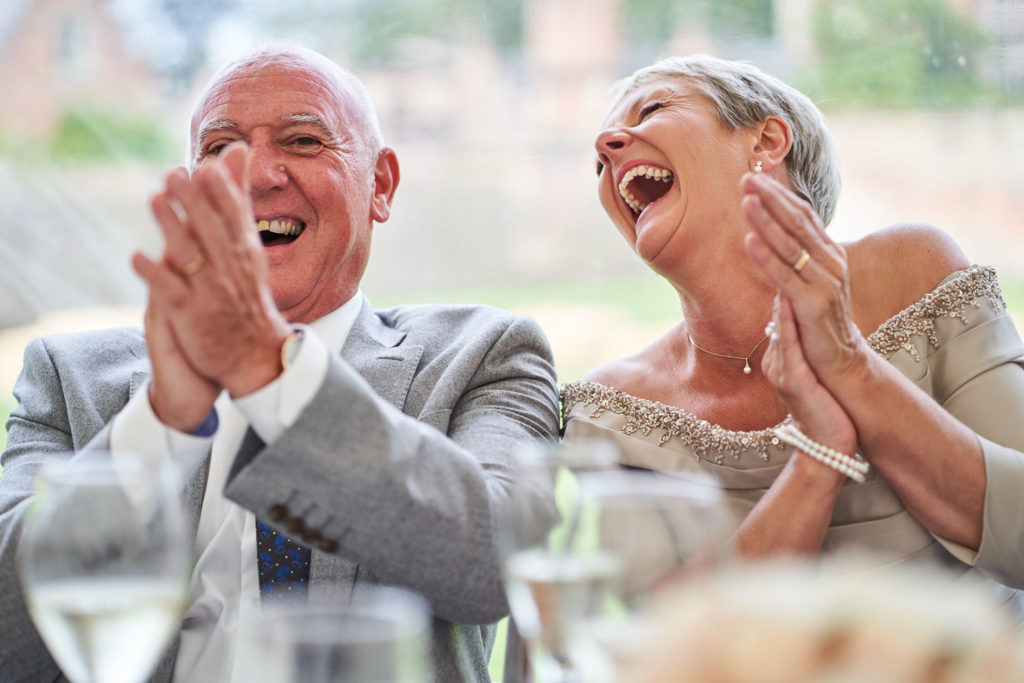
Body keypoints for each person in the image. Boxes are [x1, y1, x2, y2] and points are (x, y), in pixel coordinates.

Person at [0, 44, 559, 681]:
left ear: (380, 184)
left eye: (301, 141)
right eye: (220, 149)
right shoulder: (68, 377)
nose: (257, 174)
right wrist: (162, 423)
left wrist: (272, 370)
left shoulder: (485, 355)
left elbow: (499, 569)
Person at [561, 55, 1024, 603]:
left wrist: (852, 368)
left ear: (767, 141)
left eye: (654, 108)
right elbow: (672, 644)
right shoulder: (612, 410)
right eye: (597, 164)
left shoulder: (914, 268)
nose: (607, 146)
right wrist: (817, 455)